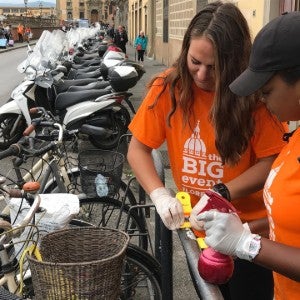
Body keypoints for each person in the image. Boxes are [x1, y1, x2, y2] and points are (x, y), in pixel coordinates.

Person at [127, 1, 288, 300]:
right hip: (200, 234)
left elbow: (272, 161)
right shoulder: (167, 88)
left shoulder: (254, 97)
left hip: (250, 232)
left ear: (236, 62)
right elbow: (137, 149)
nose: (201, 74)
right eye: (195, 61)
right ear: (185, 50)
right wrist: (159, 195)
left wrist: (221, 192)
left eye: (214, 67)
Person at [195, 11, 300, 300]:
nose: (262, 100)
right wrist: (241, 230)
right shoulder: (295, 138)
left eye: (267, 90)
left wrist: (248, 244)